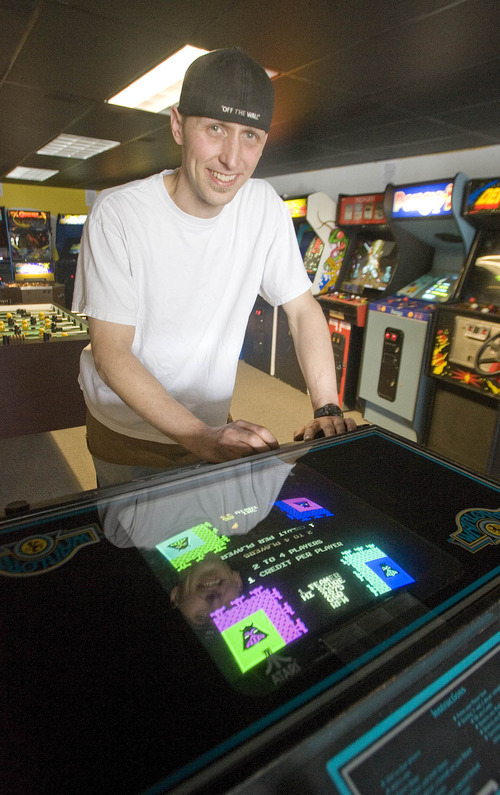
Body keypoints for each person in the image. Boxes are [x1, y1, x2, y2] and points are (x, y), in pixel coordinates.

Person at [72, 47, 356, 487]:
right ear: (177, 126)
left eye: (251, 136)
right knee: (131, 550)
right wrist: (199, 438)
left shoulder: (264, 206)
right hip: (128, 434)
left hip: (211, 425)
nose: (231, 158)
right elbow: (111, 353)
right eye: (215, 128)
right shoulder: (118, 213)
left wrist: (326, 407)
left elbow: (302, 310)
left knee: (207, 546)